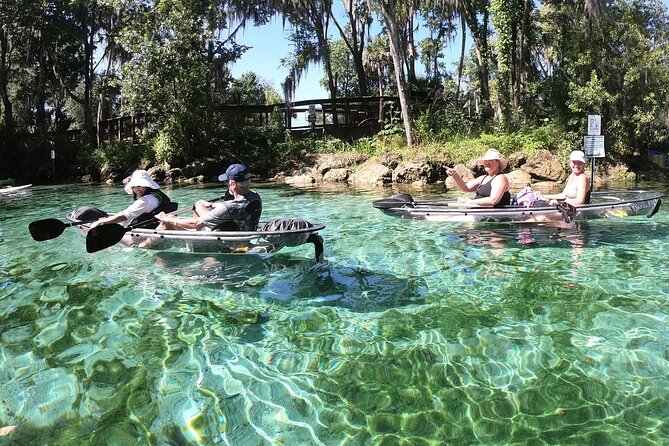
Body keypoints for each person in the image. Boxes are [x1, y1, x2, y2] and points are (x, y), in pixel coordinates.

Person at [152, 163, 262, 232]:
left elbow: (195, 224)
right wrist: (211, 204)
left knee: (165, 224)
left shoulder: (227, 207)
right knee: (199, 205)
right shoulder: (256, 197)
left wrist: (167, 218)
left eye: (226, 182)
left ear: (233, 184)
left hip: (222, 242)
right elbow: (235, 206)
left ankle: (142, 247)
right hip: (242, 235)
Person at [89, 169, 176, 231]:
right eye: (134, 186)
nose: (137, 189)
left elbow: (125, 216)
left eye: (140, 185)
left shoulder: (146, 200)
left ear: (147, 185)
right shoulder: (157, 194)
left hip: (151, 229)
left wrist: (102, 222)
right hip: (156, 225)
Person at [445, 148, 511, 207]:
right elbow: (465, 188)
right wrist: (455, 175)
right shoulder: (483, 178)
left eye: (490, 160)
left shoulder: (500, 178)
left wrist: (470, 202)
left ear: (498, 163)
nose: (487, 163)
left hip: (494, 217)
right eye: (485, 161)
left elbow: (493, 200)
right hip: (478, 215)